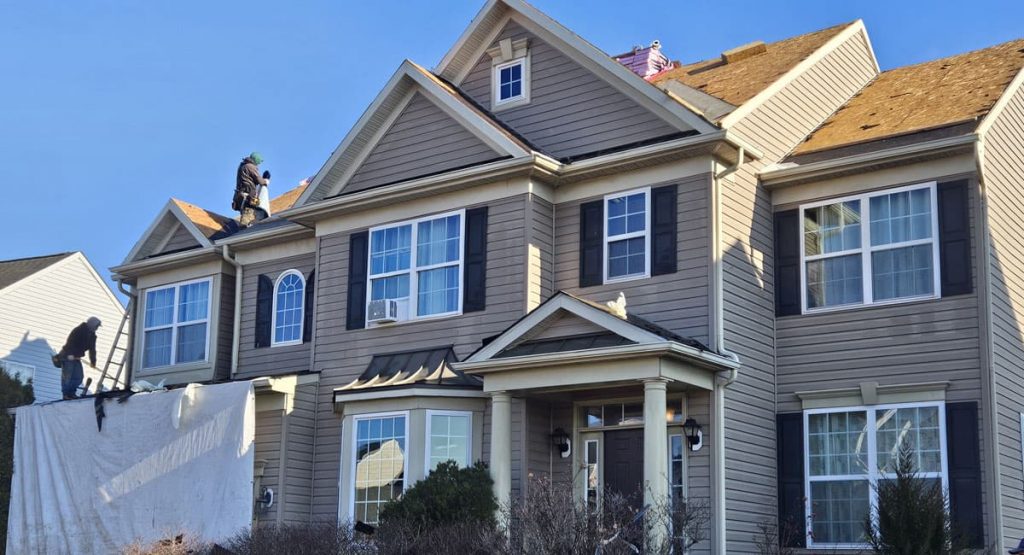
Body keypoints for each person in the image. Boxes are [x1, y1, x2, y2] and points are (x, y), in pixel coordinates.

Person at [59, 317, 100, 400]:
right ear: (92, 325)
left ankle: (72, 393)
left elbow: (92, 349)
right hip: (68, 356)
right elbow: (71, 341)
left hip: (77, 357)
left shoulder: (92, 336)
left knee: (79, 377)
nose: (97, 328)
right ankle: (66, 394)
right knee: (68, 376)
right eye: (96, 326)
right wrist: (70, 354)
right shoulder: (79, 330)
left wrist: (93, 361)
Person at [234, 152, 271, 228]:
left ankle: (244, 228)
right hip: (248, 196)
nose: (258, 164)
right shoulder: (250, 167)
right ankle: (243, 233)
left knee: (249, 212)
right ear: (256, 160)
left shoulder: (243, 166)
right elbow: (259, 181)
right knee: (248, 215)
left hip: (241, 196)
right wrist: (266, 181)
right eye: (258, 162)